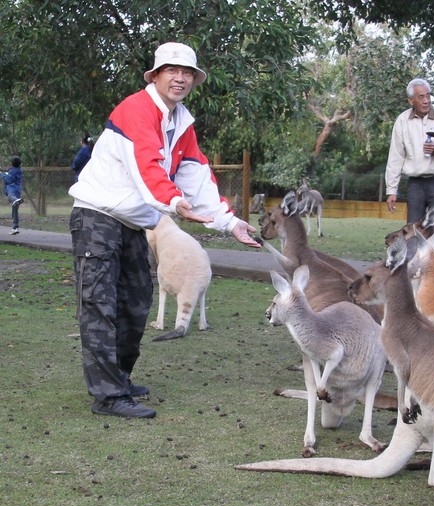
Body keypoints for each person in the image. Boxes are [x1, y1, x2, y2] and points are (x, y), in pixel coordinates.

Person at [68, 42, 261, 419]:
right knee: (99, 306)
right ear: (155, 75)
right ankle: (108, 397)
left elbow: (196, 175)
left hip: (133, 223)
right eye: (172, 70)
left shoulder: (181, 121)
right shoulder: (136, 110)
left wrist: (230, 222)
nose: (181, 78)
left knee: (136, 303)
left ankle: (120, 379)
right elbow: (147, 165)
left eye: (188, 72)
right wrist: (173, 201)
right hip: (97, 217)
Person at [385, 77, 434, 271]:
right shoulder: (402, 120)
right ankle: (411, 272)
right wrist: (391, 190)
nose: (426, 101)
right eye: (421, 97)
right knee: (412, 230)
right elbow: (396, 156)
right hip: (416, 182)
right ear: (411, 101)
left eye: (428, 96)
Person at [2, 156, 23, 235]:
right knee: (15, 210)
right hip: (18, 189)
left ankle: (15, 200)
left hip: (12, 188)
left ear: (12, 163)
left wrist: (2, 175)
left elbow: (8, 180)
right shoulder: (19, 170)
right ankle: (15, 227)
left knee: (11, 197)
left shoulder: (13, 171)